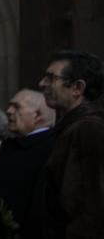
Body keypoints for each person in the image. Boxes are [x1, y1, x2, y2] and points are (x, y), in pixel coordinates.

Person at [37, 50, 104, 238]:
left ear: (77, 88)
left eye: (51, 78)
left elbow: (94, 210)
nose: (42, 84)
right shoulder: (70, 128)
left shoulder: (90, 129)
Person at [0, 89, 55, 238]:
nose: (8, 111)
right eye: (10, 106)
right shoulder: (12, 145)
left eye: (16, 106)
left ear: (38, 115)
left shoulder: (49, 148)